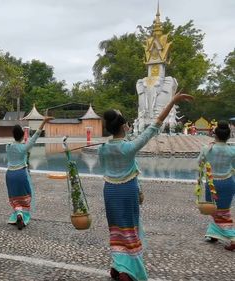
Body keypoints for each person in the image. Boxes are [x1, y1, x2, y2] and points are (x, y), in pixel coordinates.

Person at [98, 92, 193, 281]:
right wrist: (172, 101)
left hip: (109, 191)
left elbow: (105, 170)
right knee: (130, 227)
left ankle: (118, 265)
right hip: (127, 191)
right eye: (126, 124)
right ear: (124, 126)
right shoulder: (129, 147)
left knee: (116, 228)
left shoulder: (103, 149)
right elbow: (155, 125)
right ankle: (127, 271)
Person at [5, 116, 52, 230]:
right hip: (20, 174)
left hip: (9, 175)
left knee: (14, 197)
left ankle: (18, 213)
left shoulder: (8, 146)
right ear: (22, 136)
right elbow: (35, 136)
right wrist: (44, 122)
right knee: (25, 197)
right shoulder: (23, 147)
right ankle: (22, 215)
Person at [198, 121, 235, 251]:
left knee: (215, 210)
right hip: (228, 183)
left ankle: (232, 236)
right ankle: (213, 233)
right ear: (229, 136)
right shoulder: (232, 150)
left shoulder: (207, 148)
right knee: (222, 211)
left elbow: (199, 162)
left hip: (212, 183)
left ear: (215, 135)